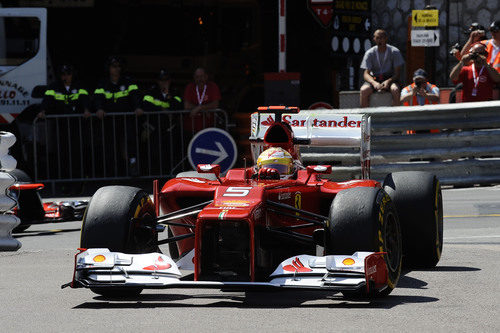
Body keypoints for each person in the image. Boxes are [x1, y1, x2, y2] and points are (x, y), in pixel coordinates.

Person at [37, 64, 91, 180]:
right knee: (62, 152)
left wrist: (86, 110)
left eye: (68, 74)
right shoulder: (54, 87)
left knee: (76, 152)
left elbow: (85, 99)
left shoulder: (79, 86)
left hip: (76, 125)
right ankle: (63, 179)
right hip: (60, 126)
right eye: (63, 74)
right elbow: (46, 101)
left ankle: (78, 178)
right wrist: (42, 111)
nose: (65, 77)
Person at [93, 56, 143, 176]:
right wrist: (99, 109)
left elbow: (135, 96)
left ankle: (133, 165)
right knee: (110, 145)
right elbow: (97, 98)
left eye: (118, 66)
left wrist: (138, 107)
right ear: (109, 68)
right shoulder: (103, 84)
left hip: (126, 119)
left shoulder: (128, 82)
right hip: (109, 121)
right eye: (114, 66)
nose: (116, 69)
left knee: (130, 141)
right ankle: (112, 172)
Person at [140, 69, 183, 175]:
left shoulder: (175, 91)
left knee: (171, 153)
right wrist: (163, 110)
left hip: (170, 128)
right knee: (154, 153)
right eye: (161, 80)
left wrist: (168, 95)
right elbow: (146, 105)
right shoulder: (152, 91)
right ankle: (155, 176)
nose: (164, 82)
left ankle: (170, 175)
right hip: (154, 128)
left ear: (170, 81)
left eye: (166, 80)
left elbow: (178, 106)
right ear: (158, 81)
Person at [359, 29, 405, 107]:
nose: (379, 40)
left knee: (395, 90)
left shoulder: (394, 52)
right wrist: (374, 83)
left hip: (390, 78)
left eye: (382, 38)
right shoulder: (370, 53)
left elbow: (397, 74)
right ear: (374, 39)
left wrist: (388, 81)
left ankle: (396, 115)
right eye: (377, 38)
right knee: (363, 90)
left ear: (386, 38)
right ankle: (365, 116)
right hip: (375, 78)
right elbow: (366, 74)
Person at [183, 67, 221, 133]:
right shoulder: (190, 87)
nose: (199, 79)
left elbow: (215, 105)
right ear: (194, 78)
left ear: (206, 76)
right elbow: (186, 105)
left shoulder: (213, 86)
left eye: (201, 76)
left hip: (209, 128)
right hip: (191, 128)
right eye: (197, 77)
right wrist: (203, 109)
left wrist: (200, 107)